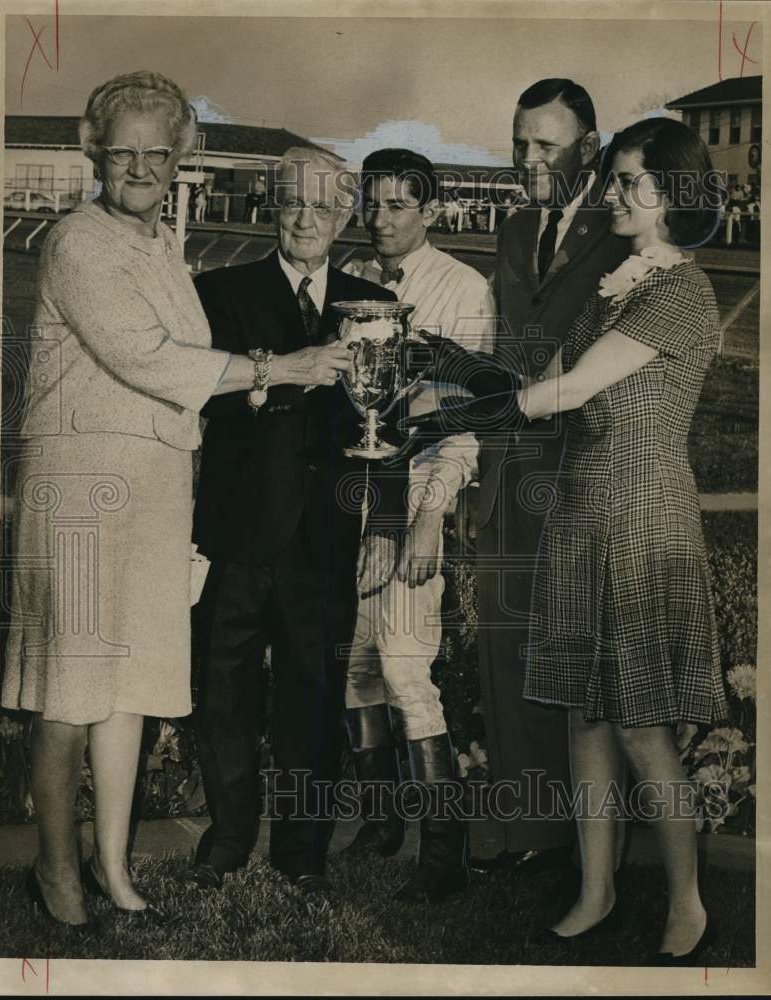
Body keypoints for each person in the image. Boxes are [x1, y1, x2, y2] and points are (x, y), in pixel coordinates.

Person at [0, 74, 352, 927]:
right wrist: (281, 370)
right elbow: (147, 357)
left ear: (178, 159)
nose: (141, 167)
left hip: (157, 488)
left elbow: (190, 369)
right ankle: (55, 871)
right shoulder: (77, 242)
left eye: (158, 153)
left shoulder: (162, 244)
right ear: (95, 152)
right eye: (123, 151)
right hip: (83, 487)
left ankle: (115, 867)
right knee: (71, 692)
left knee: (129, 690)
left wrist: (259, 386)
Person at [407, 117, 726, 965]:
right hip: (581, 515)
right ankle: (594, 891)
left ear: (676, 196)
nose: (613, 194)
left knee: (640, 726)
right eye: (614, 177)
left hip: (643, 517)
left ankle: (688, 902)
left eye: (632, 183)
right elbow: (539, 382)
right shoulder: (617, 283)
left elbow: (574, 388)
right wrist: (439, 368)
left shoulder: (678, 290)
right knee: (585, 718)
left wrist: (458, 411)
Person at [186, 147, 407, 897]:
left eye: (323, 206)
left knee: (313, 696)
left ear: (345, 215)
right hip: (237, 528)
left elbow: (392, 419)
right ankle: (227, 837)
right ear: (269, 207)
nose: (306, 219)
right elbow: (199, 393)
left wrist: (384, 525)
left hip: (327, 533)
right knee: (223, 690)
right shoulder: (217, 290)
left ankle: (302, 850)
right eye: (292, 203)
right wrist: (278, 378)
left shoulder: (369, 302)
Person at [468, 79, 629, 879]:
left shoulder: (625, 229)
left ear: (588, 148)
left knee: (578, 647)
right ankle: (527, 826)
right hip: (510, 461)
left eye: (547, 146)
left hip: (582, 459)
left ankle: (592, 836)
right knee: (507, 639)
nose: (528, 160)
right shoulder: (512, 226)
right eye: (519, 142)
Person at [341, 148, 493, 902]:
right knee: (354, 668)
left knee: (405, 669)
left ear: (430, 211)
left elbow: (468, 418)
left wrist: (431, 515)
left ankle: (445, 849)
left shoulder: (462, 287)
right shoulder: (352, 284)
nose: (380, 219)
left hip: (415, 501)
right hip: (348, 501)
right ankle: (379, 819)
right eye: (371, 204)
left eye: (398, 205)